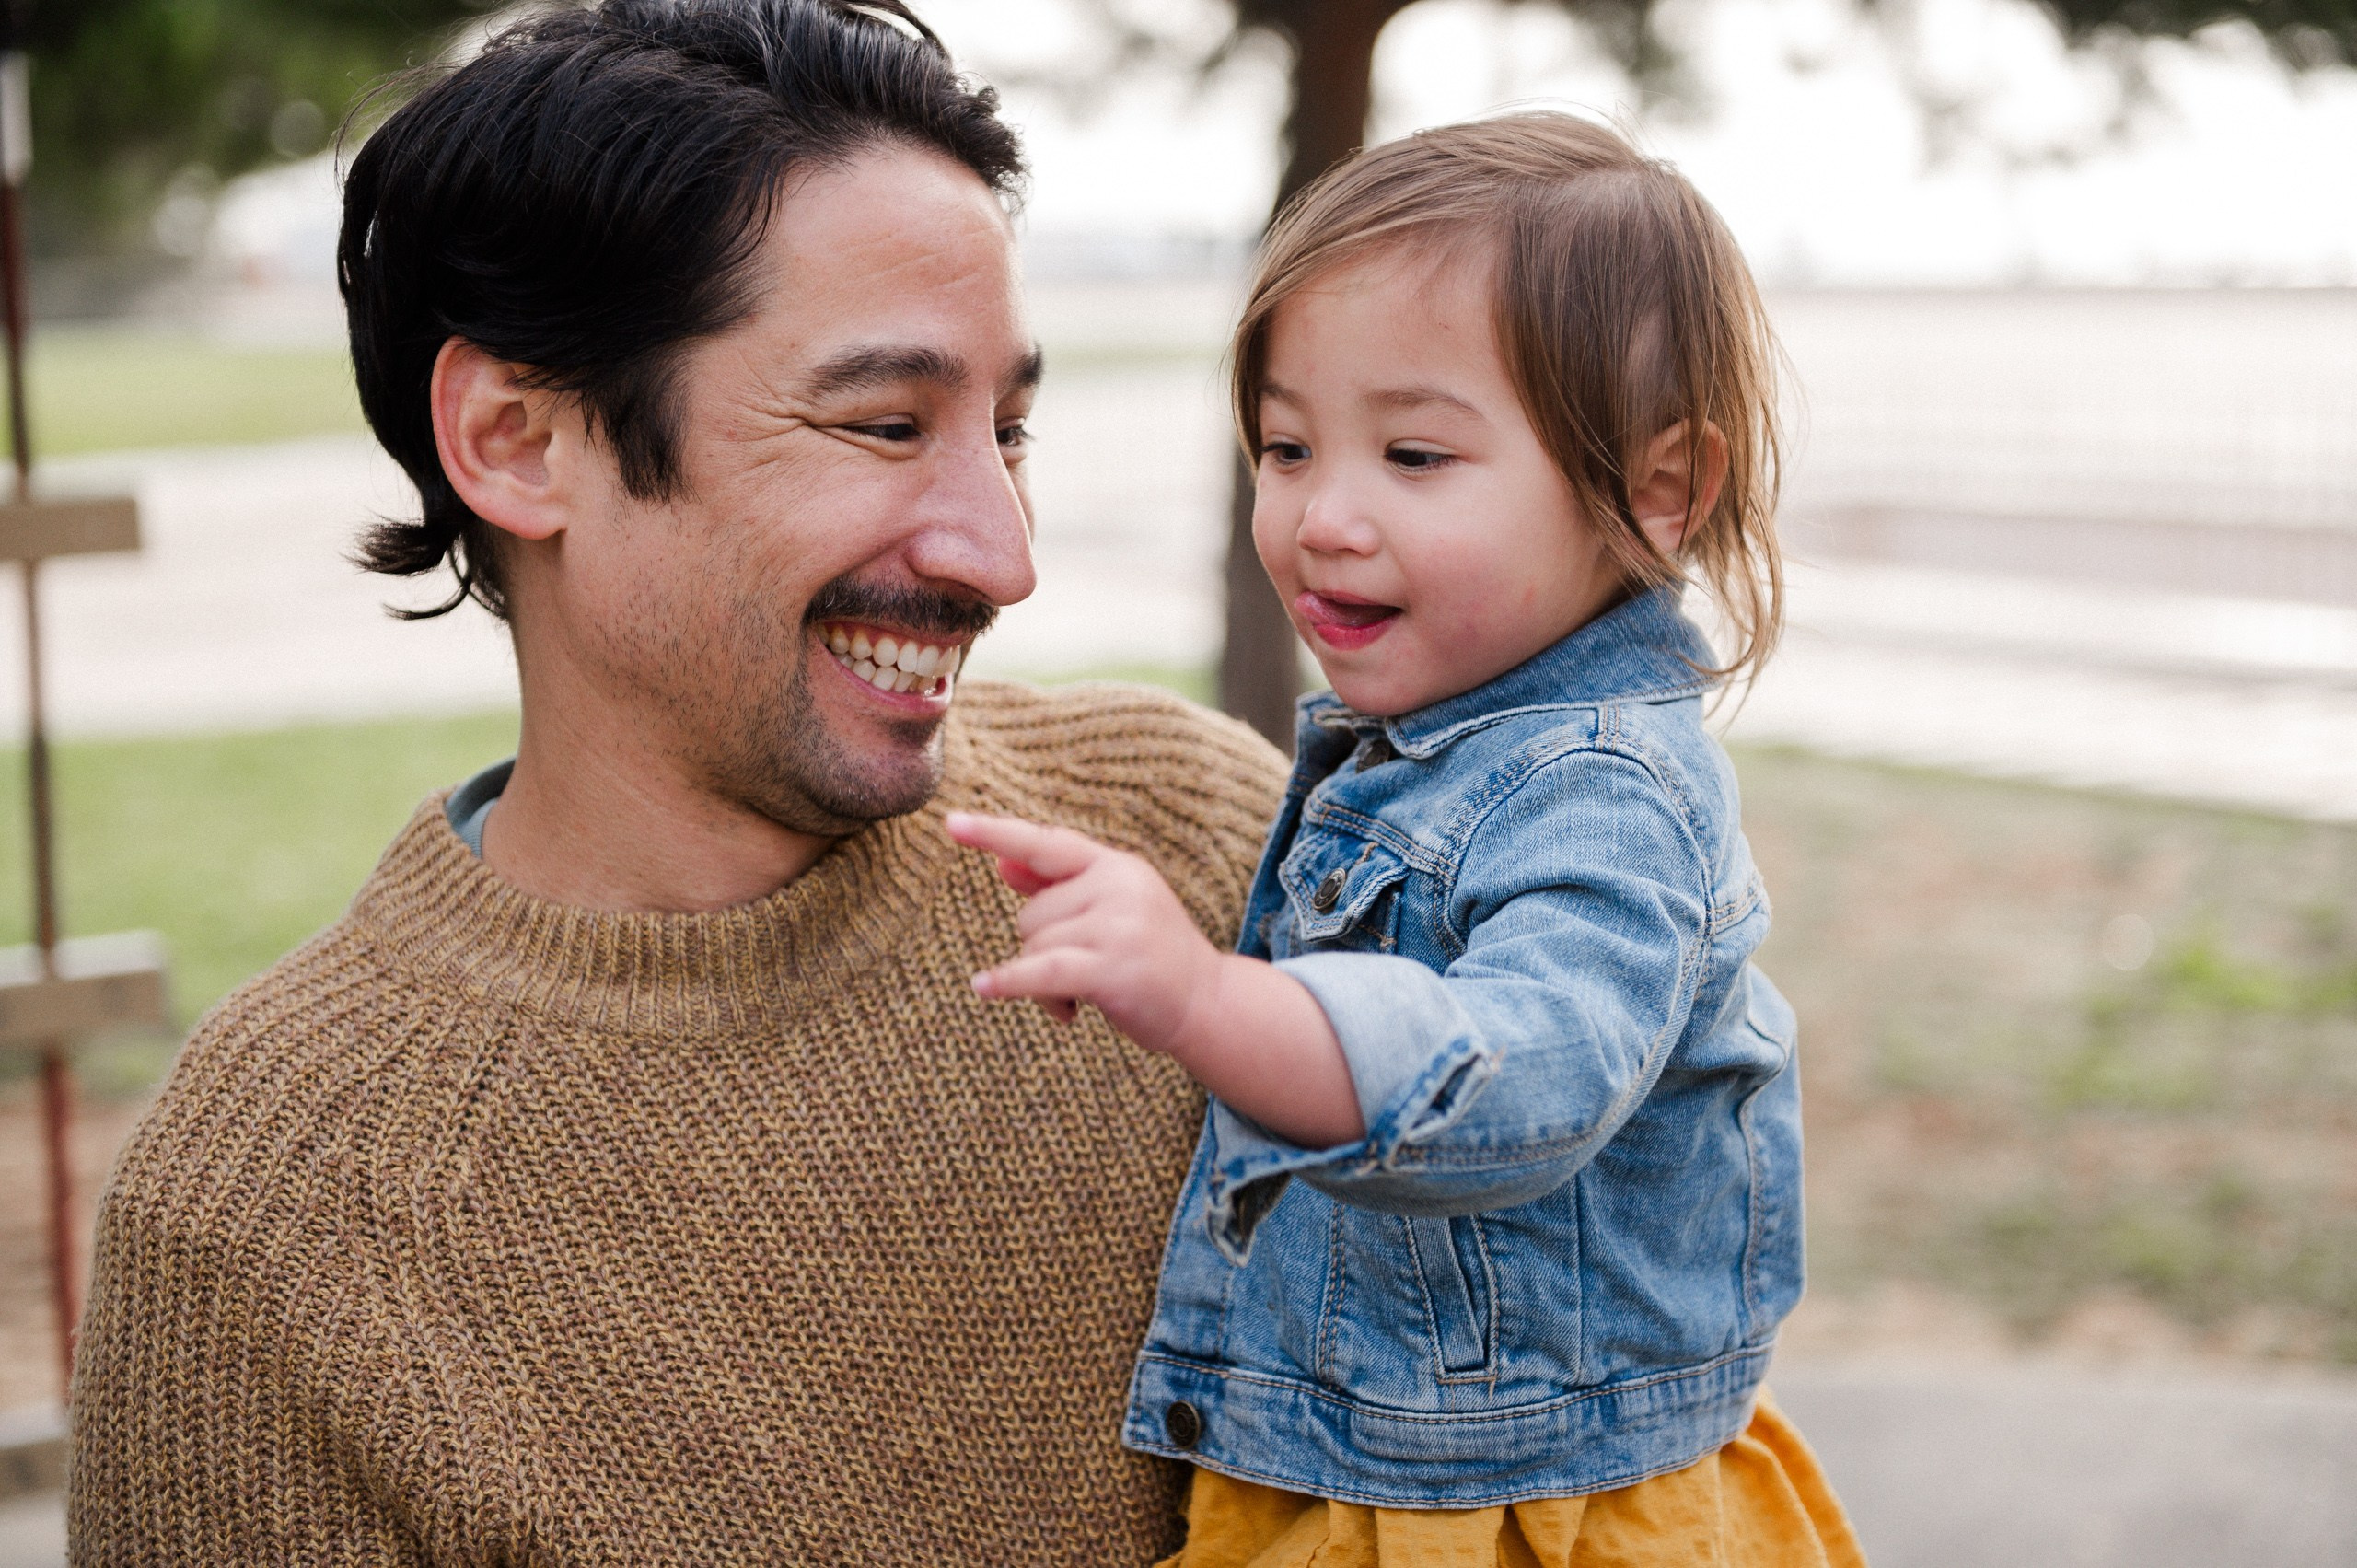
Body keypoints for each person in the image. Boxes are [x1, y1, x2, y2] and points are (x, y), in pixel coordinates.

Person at [67, 3, 1286, 1561]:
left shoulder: (1197, 838)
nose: (1006, 555)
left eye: (1010, 427)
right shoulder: (276, 1217)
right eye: (887, 423)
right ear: (516, 442)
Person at [950, 115, 1867, 1566]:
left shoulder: (1601, 788)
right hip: (1373, 1482)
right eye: (1288, 448)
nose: (1324, 517)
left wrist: (1204, 998)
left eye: (1417, 454)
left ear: (1660, 488)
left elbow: (1528, 1072)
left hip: (1518, 1516)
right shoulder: (1437, 744)